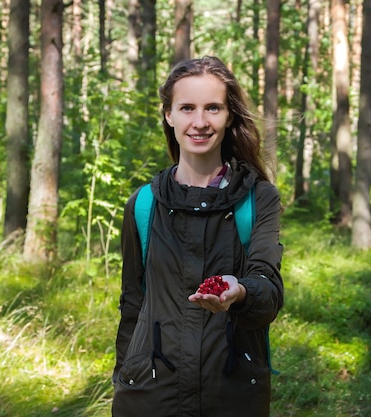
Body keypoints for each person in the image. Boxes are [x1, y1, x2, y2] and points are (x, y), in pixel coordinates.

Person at [112, 56, 284, 417]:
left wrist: (239, 292)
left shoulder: (259, 199)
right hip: (149, 395)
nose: (200, 122)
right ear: (169, 115)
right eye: (187, 107)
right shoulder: (143, 204)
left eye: (213, 108)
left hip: (233, 395)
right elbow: (132, 303)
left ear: (229, 116)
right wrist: (124, 378)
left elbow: (268, 293)